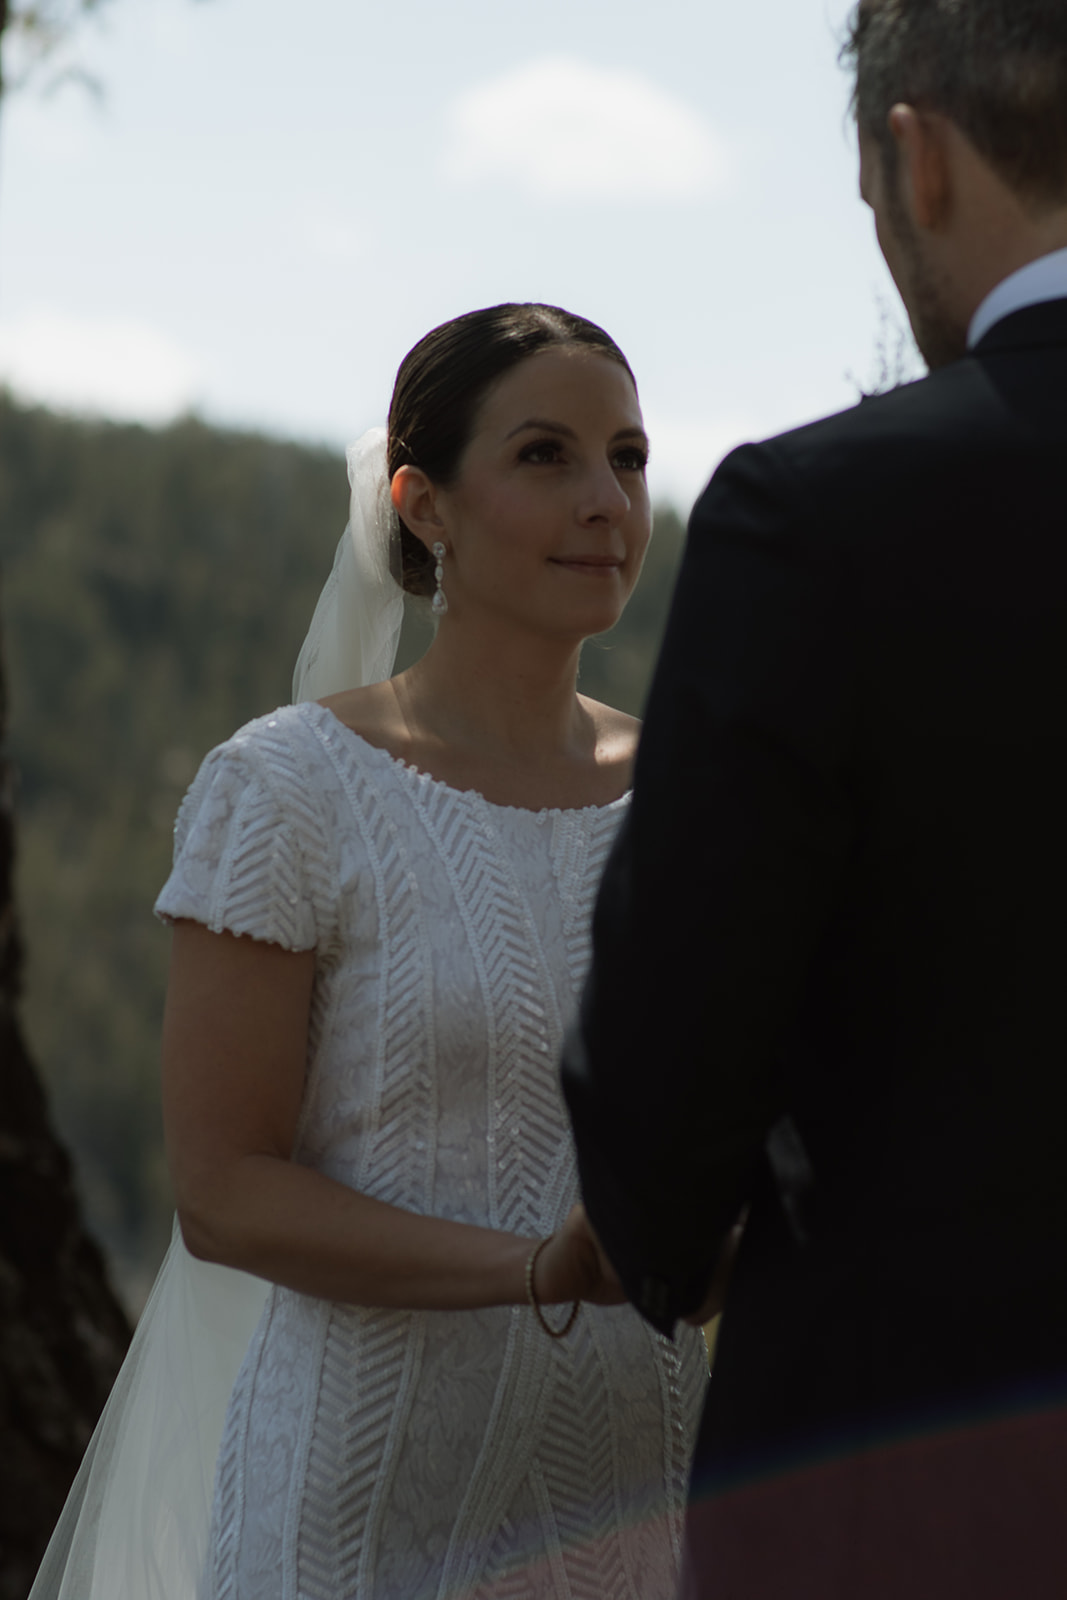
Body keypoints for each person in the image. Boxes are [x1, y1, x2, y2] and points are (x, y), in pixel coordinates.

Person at [30, 303, 706, 1600]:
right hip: (361, 1509)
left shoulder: (694, 790)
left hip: (632, 1499)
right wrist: (530, 1272)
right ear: (422, 502)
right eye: (545, 456)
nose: (606, 499)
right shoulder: (287, 790)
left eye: (627, 457)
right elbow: (224, 1192)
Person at [561, 3, 1067, 1596]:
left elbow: (674, 1023)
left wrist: (669, 1234)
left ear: (914, 161)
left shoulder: (828, 514)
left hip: (919, 1464)